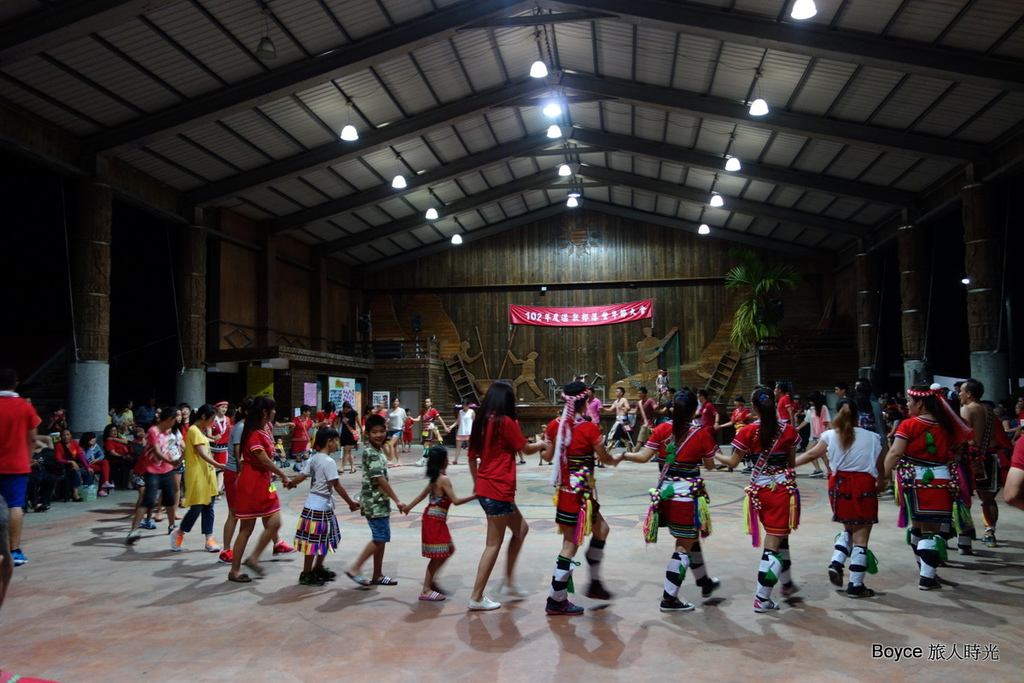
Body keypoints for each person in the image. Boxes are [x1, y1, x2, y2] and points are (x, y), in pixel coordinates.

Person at [623, 389, 722, 611]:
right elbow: (709, 465)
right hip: (687, 496)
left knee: (690, 537)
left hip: (666, 494)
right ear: (694, 410)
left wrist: (623, 455)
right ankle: (669, 598)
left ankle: (703, 581)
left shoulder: (661, 429)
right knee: (682, 546)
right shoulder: (701, 434)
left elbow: (642, 457)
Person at [538, 382, 620, 616]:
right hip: (581, 495)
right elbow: (605, 458)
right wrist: (621, 457)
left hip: (566, 492)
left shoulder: (555, 426)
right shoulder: (590, 429)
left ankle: (593, 581)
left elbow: (547, 455)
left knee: (601, 529)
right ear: (585, 403)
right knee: (569, 547)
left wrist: (540, 445)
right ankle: (556, 599)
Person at [716, 386, 801, 613]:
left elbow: (733, 463)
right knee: (773, 542)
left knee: (778, 538)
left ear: (753, 407)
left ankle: (784, 582)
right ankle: (762, 598)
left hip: (758, 492)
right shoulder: (788, 431)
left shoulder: (746, 432)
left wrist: (713, 452)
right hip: (782, 490)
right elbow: (790, 465)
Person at [882, 385, 975, 591]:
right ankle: (927, 573)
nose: (907, 404)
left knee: (918, 527)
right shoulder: (947, 426)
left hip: (914, 480)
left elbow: (896, 452)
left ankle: (924, 571)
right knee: (930, 530)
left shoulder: (908, 425)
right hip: (943, 481)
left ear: (920, 403)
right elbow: (958, 448)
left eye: (909, 401)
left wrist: (881, 475)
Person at [467, 381, 546, 611]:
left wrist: (477, 483)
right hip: (498, 489)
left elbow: (472, 457)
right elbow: (526, 449)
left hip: (487, 488)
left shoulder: (481, 422)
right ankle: (477, 596)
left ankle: (509, 582)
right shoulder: (505, 422)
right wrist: (543, 442)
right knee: (493, 544)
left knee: (521, 529)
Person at [796, 398, 886, 598]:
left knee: (848, 527)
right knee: (861, 537)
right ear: (858, 415)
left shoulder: (829, 435)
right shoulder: (873, 437)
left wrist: (787, 465)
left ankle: (837, 561)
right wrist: (881, 482)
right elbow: (880, 467)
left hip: (839, 486)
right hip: (864, 486)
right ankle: (855, 585)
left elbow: (811, 455)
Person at [228, 396, 292, 582]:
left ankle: (253, 558)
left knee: (274, 522)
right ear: (265, 412)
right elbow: (263, 459)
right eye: (273, 410)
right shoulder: (254, 432)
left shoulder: (262, 430)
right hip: (252, 482)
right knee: (246, 528)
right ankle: (236, 569)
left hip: (263, 481)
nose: (274, 413)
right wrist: (283, 475)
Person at [400, 445, 476, 601]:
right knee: (437, 556)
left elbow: (422, 496)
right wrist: (476, 496)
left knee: (448, 550)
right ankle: (426, 590)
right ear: (444, 460)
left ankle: (432, 581)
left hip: (435, 519)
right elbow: (455, 501)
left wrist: (408, 507)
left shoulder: (436, 477)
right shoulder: (443, 479)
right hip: (434, 520)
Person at [285, 428, 360, 586]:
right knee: (314, 542)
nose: (337, 444)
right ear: (329, 442)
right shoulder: (329, 461)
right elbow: (337, 485)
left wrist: (291, 484)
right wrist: (351, 503)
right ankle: (306, 573)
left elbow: (302, 476)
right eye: (336, 441)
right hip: (319, 506)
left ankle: (317, 568)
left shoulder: (315, 458)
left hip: (316, 504)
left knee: (323, 538)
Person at [346, 414, 403, 587]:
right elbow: (380, 479)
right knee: (380, 536)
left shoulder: (378, 450)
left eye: (381, 431)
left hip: (380, 501)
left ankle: (377, 574)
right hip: (374, 502)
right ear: (367, 434)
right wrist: (397, 500)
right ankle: (355, 568)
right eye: (374, 432)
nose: (378, 435)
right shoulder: (371, 452)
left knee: (381, 538)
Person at [958, 379, 1010, 549]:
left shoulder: (966, 409)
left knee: (963, 498)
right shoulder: (989, 409)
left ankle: (964, 536)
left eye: (961, 391)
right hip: (991, 457)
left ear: (969, 394)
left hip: (975, 459)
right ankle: (990, 532)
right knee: (989, 499)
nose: (959, 394)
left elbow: (966, 437)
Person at [171, 404, 226, 554]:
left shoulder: (199, 432)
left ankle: (209, 539)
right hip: (197, 475)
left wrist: (179, 459)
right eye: (212, 418)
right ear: (203, 417)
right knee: (196, 508)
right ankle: (179, 533)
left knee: (209, 507)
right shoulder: (194, 430)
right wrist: (219, 464)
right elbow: (202, 453)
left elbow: (189, 450)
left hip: (207, 473)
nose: (213, 422)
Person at [0, 368, 41, 567]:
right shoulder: (25, 407)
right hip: (16, 465)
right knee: (14, 505)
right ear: (16, 383)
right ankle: (14, 550)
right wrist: (28, 458)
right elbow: (32, 438)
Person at [126, 407, 182, 544]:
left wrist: (175, 459)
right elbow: (157, 451)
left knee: (169, 500)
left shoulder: (168, 432)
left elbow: (167, 449)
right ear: (169, 419)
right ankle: (133, 530)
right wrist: (171, 461)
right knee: (148, 499)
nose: (175, 423)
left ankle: (171, 526)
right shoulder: (153, 431)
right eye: (174, 420)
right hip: (152, 471)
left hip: (167, 470)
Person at [795, 392, 830, 478]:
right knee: (809, 450)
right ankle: (818, 469)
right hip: (814, 435)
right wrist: (798, 428)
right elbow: (806, 421)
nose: (810, 403)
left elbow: (828, 421)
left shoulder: (823, 408)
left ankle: (829, 471)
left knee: (822, 454)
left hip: (823, 435)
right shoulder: (811, 410)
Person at [54, 429, 96, 499]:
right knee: (75, 472)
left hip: (76, 465)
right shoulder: (59, 445)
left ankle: (88, 490)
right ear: (61, 436)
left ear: (71, 435)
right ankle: (75, 493)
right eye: (64, 435)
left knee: (88, 472)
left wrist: (87, 467)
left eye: (68, 435)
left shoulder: (74, 443)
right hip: (64, 467)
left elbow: (80, 455)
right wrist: (70, 462)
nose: (66, 437)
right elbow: (58, 459)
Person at [413, 398, 449, 466]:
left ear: (431, 403)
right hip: (424, 429)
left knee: (426, 445)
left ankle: (423, 460)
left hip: (430, 428)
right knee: (429, 446)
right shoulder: (423, 411)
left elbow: (439, 418)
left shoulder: (433, 410)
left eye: (428, 402)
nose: (426, 403)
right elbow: (418, 418)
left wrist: (445, 426)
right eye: (425, 402)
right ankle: (434, 460)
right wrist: (412, 419)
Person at [604, 386, 634, 451]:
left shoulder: (624, 400)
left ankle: (608, 451)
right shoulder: (616, 401)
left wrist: (625, 408)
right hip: (618, 421)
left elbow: (628, 407)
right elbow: (611, 409)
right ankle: (630, 452)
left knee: (614, 436)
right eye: (616, 391)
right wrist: (603, 409)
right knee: (622, 437)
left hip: (623, 421)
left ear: (621, 393)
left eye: (617, 391)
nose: (616, 393)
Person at [339, 401, 360, 474]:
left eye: (346, 409)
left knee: (346, 450)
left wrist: (361, 431)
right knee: (348, 451)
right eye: (344, 409)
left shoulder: (354, 413)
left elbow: (358, 422)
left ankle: (342, 467)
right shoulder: (341, 413)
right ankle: (353, 467)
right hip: (344, 433)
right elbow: (338, 422)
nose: (345, 410)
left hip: (351, 434)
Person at [452, 400, 475, 465]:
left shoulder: (471, 411)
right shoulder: (460, 412)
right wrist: (451, 427)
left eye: (465, 405)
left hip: (469, 431)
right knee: (458, 446)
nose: (464, 406)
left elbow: (474, 422)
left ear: (468, 405)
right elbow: (457, 421)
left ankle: (471, 459)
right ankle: (455, 460)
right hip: (461, 431)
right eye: (463, 405)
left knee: (469, 447)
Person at [385, 398, 406, 467]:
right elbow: (386, 419)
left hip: (398, 429)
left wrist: (403, 426)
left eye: (397, 401)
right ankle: (399, 462)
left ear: (399, 402)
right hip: (391, 430)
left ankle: (390, 460)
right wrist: (387, 423)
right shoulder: (389, 411)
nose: (395, 402)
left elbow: (404, 419)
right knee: (395, 446)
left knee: (390, 444)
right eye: (394, 401)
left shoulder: (402, 410)